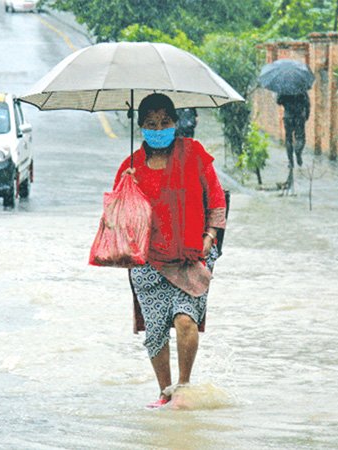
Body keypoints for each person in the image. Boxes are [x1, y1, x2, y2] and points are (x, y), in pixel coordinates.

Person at [113, 93, 227, 409]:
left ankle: (185, 387)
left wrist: (210, 235)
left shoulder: (194, 154)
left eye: (165, 122)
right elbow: (119, 220)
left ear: (175, 123)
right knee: (156, 331)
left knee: (185, 321)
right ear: (141, 127)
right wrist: (127, 186)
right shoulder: (130, 166)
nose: (158, 128)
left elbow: (216, 199)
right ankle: (165, 392)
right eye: (151, 124)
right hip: (148, 261)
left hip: (192, 254)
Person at [276, 93, 309, 168]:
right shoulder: (301, 88)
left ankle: (291, 162)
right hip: (299, 117)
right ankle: (298, 152)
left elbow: (278, 101)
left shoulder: (284, 89)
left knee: (288, 139)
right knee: (300, 137)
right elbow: (307, 103)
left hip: (288, 117)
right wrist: (306, 115)